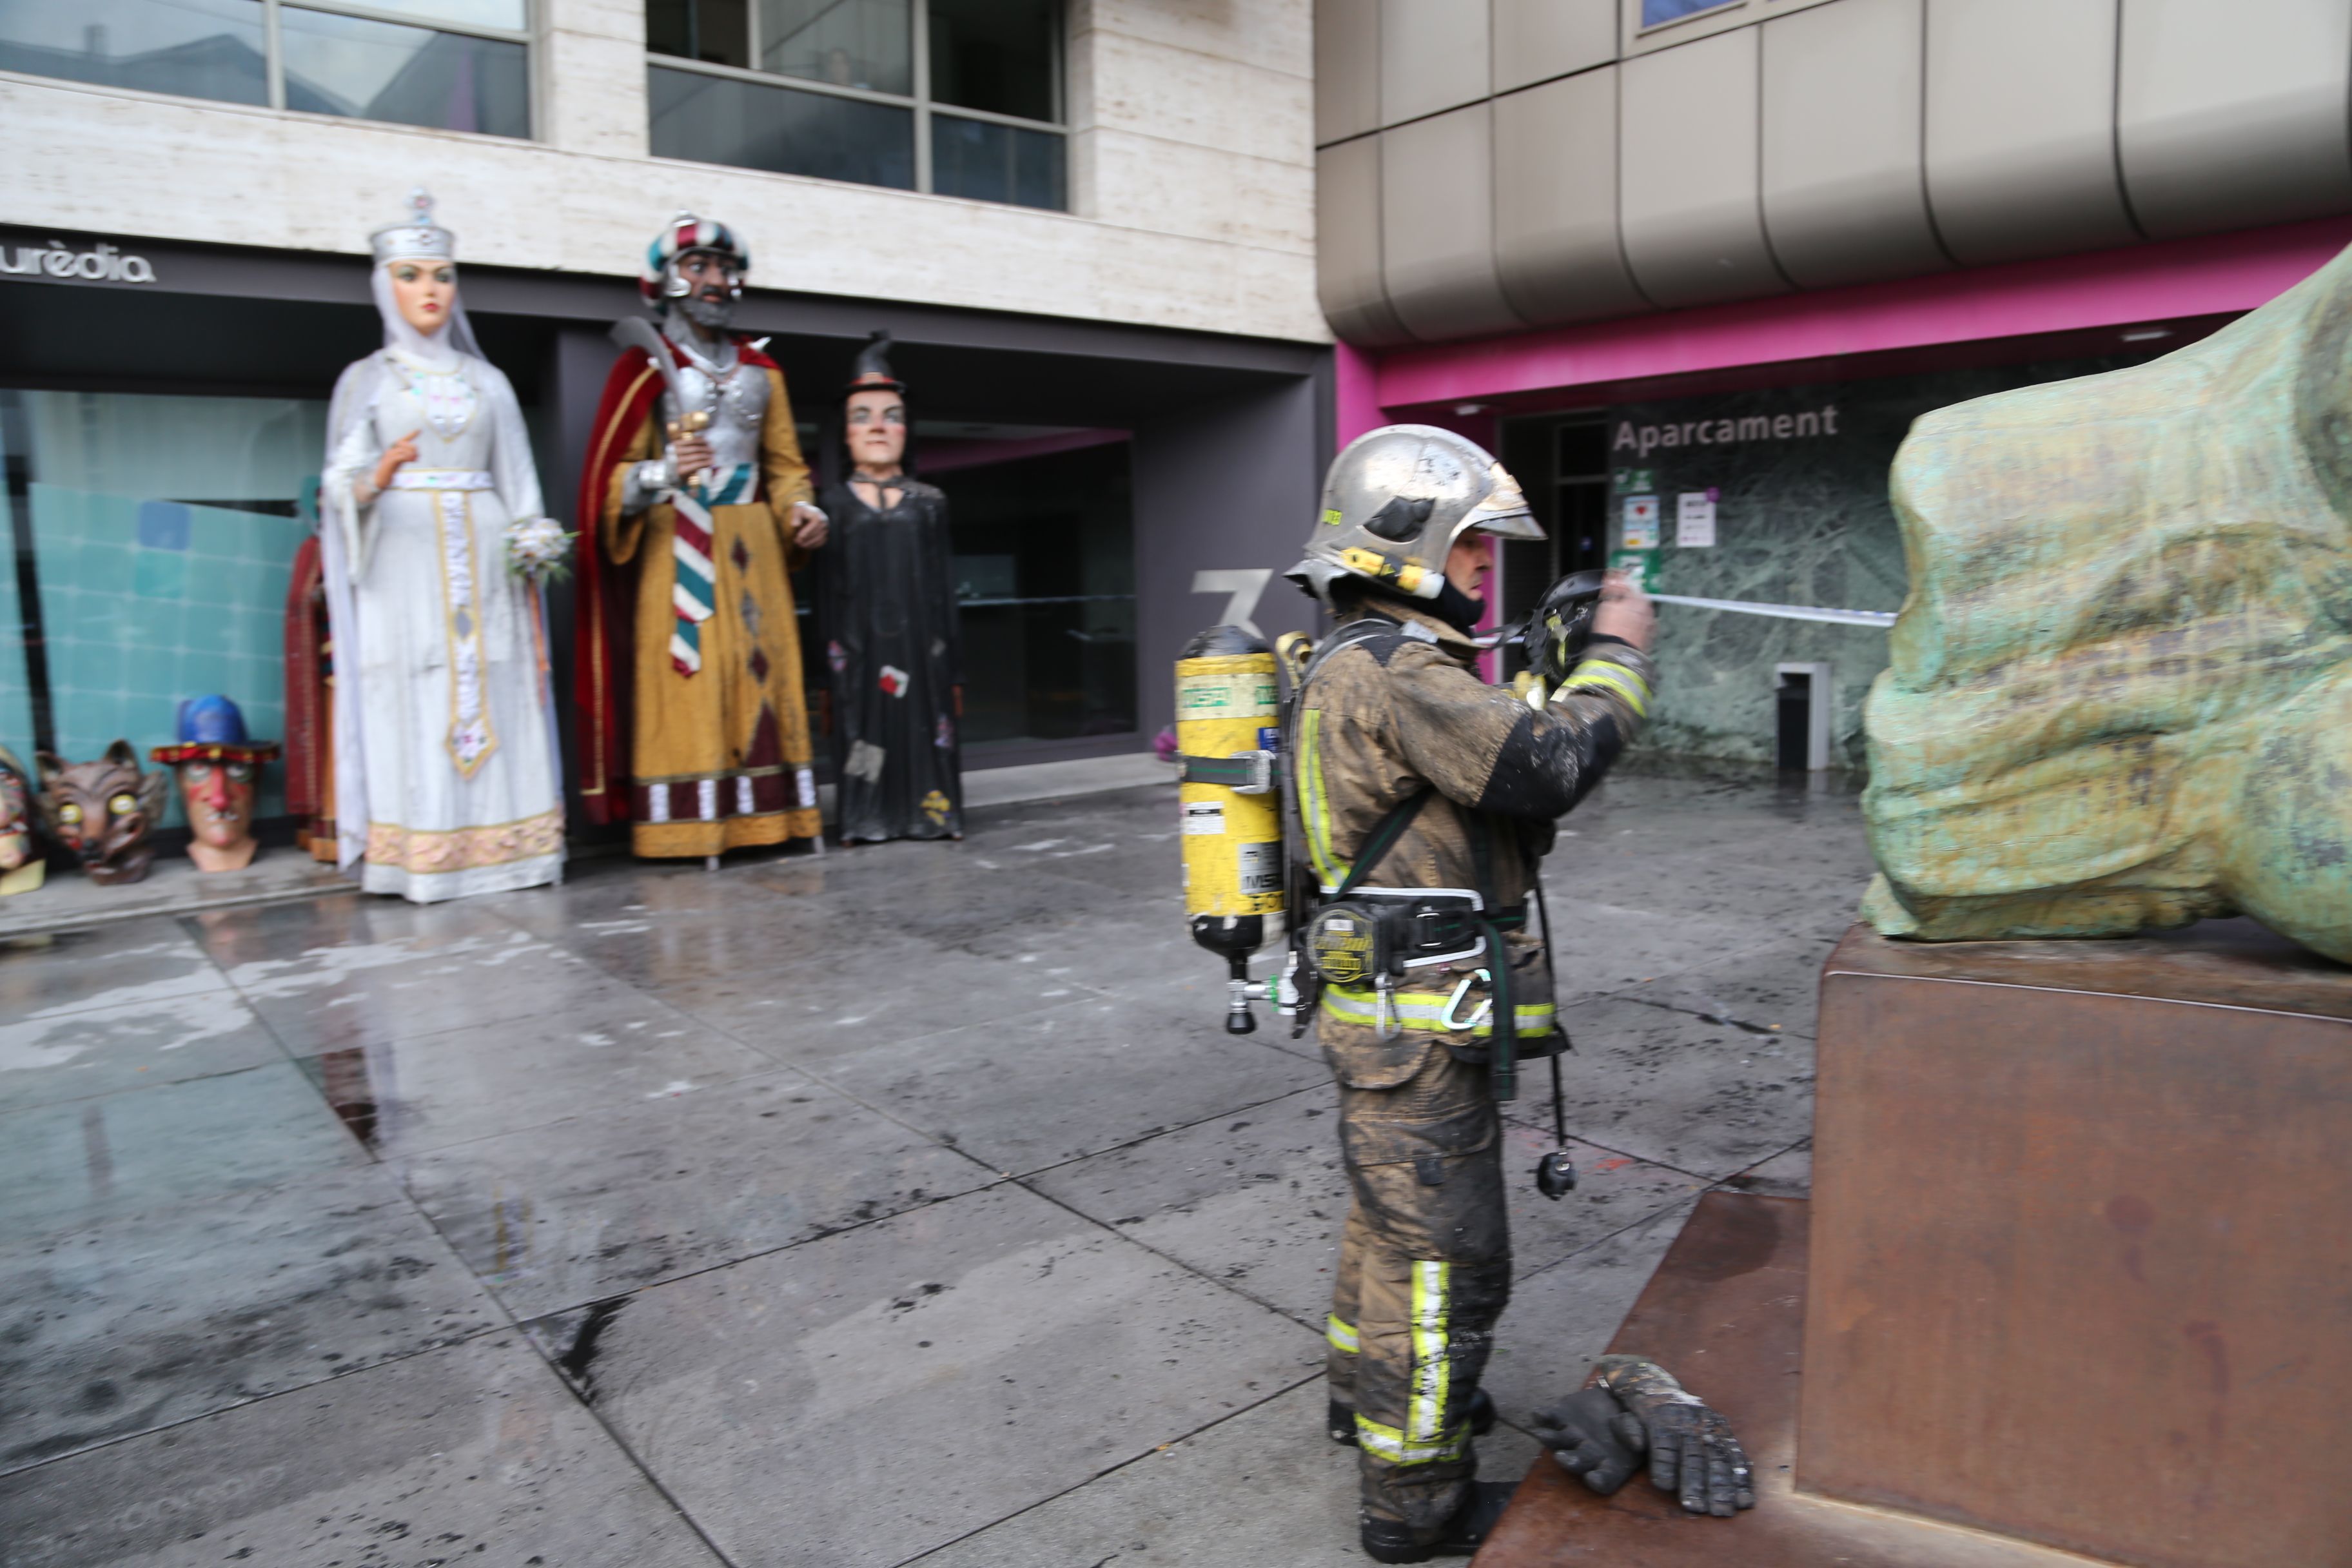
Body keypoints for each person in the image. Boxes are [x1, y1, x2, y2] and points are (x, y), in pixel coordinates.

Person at [1285, 426, 1676, 1560]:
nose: (1481, 572)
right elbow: (1551, 766)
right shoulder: (1400, 672)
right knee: (1444, 1264)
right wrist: (1616, 653)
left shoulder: (1350, 660)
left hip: (1382, 1020)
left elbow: (1488, 782)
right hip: (1417, 1020)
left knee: (1384, 1228)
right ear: (1399, 544)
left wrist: (1538, 676)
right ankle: (1416, 1502)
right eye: (1469, 550)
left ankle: (1362, 1402)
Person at [320, 190, 565, 902]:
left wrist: (531, 548)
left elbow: (521, 488)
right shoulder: (366, 380)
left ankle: (513, 848)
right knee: (418, 693)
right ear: (385, 286)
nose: (429, 290)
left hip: (487, 569)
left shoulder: (489, 382)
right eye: (412, 275)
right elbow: (338, 487)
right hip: (403, 568)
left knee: (498, 688)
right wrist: (378, 475)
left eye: (441, 275)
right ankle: (424, 851)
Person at [573, 213, 828, 861]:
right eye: (698, 267)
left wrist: (801, 509)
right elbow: (611, 479)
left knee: (761, 671)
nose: (714, 279)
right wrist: (661, 472)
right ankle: (690, 824)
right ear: (666, 281)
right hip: (676, 538)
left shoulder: (763, 372)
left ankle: (772, 817)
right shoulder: (640, 370)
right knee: (689, 678)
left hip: (754, 544)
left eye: (723, 268)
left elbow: (785, 466)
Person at [814, 331, 962, 842]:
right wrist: (823, 673)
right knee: (862, 730)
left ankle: (933, 815)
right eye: (862, 416)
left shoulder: (929, 501)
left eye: (890, 415)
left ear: (907, 429)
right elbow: (823, 588)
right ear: (845, 434)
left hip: (923, 649)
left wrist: (955, 666)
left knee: (926, 732)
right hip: (857, 649)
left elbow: (945, 584)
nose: (877, 426)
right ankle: (865, 818)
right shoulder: (831, 503)